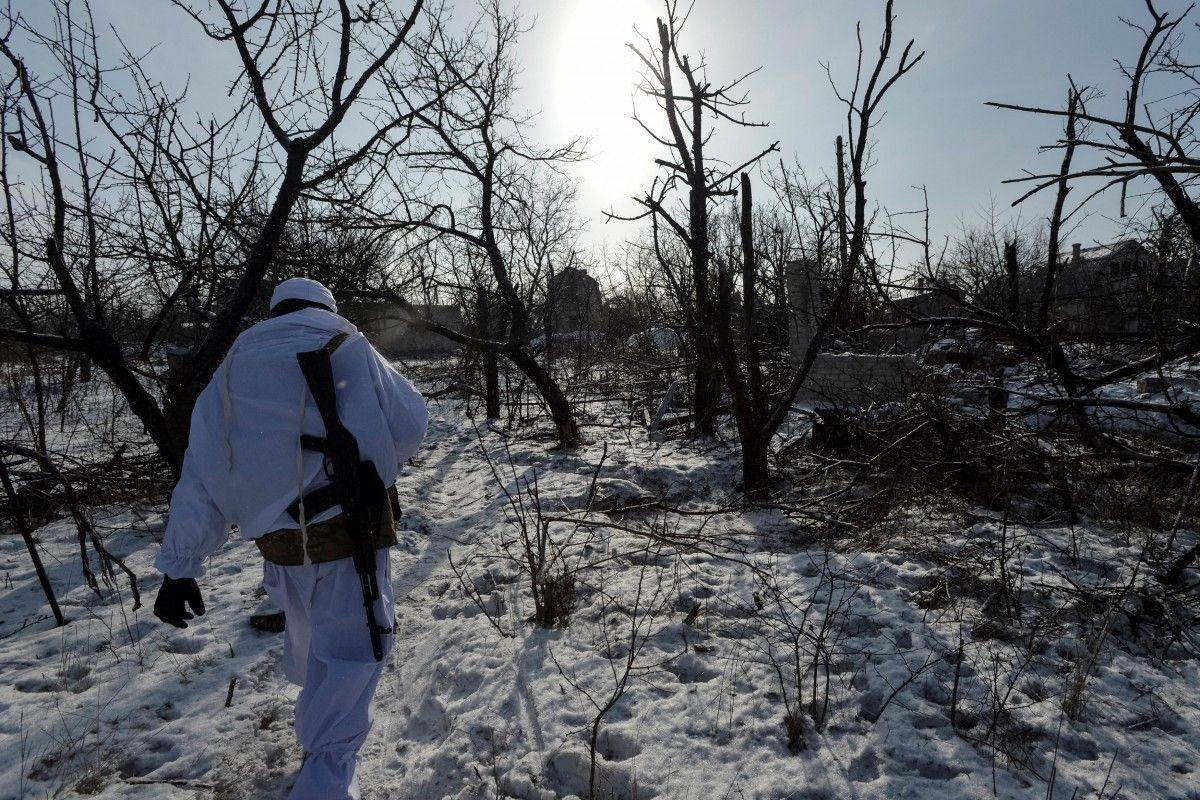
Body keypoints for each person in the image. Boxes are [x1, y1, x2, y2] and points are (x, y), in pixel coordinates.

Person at [152, 277, 428, 799]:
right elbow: (411, 423)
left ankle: (315, 738)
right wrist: (375, 462)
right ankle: (325, 782)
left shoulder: (232, 367)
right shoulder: (347, 344)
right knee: (353, 653)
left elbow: (202, 473)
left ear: (275, 311)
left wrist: (180, 567)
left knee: (313, 641)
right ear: (327, 306)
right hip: (348, 538)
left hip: (279, 549)